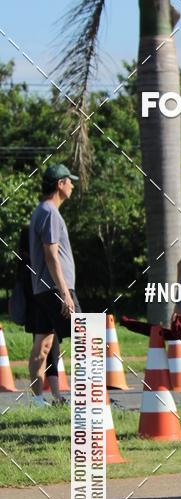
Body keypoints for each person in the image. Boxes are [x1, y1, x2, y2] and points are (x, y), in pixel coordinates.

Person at [28, 163, 81, 406]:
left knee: (43, 343)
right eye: (69, 181)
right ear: (60, 184)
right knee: (84, 336)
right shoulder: (50, 213)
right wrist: (65, 293)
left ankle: (38, 400)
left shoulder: (40, 210)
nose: (72, 185)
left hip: (41, 288)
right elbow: (51, 255)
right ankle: (88, 399)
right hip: (55, 289)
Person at [15, 227, 63, 407]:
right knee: (49, 353)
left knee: (48, 353)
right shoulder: (34, 263)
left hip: (33, 315)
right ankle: (45, 398)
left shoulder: (22, 262)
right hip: (42, 311)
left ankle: (50, 397)